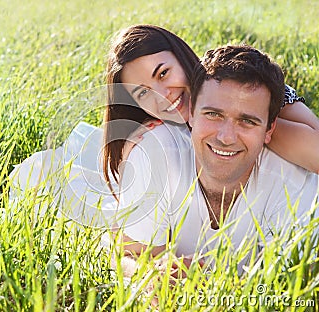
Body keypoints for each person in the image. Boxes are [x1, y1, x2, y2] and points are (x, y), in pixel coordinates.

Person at [116, 44, 318, 275]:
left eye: (248, 121)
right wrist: (154, 278)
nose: (226, 137)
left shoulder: (293, 180)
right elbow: (129, 256)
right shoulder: (154, 150)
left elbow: (290, 286)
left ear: (270, 129)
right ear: (191, 111)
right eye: (213, 114)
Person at [102, 24, 319, 199]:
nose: (162, 95)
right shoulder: (155, 138)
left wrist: (248, 120)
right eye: (143, 93)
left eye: (163, 74)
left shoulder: (240, 82)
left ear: (181, 56)